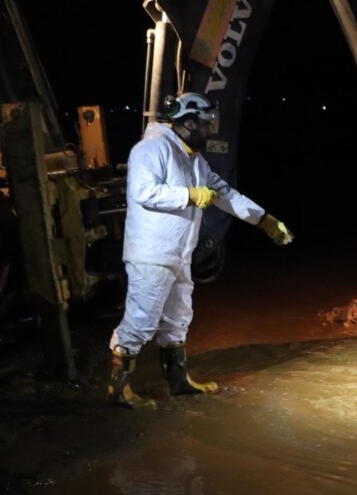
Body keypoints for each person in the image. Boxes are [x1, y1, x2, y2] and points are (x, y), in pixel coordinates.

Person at [108, 91, 294, 409]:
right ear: (189, 122)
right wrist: (188, 195)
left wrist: (264, 220)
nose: (210, 130)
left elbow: (223, 193)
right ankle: (118, 390)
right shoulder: (151, 148)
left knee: (178, 317)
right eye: (206, 125)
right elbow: (143, 192)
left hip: (179, 253)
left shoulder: (194, 157)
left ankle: (179, 381)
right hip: (151, 253)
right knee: (141, 319)